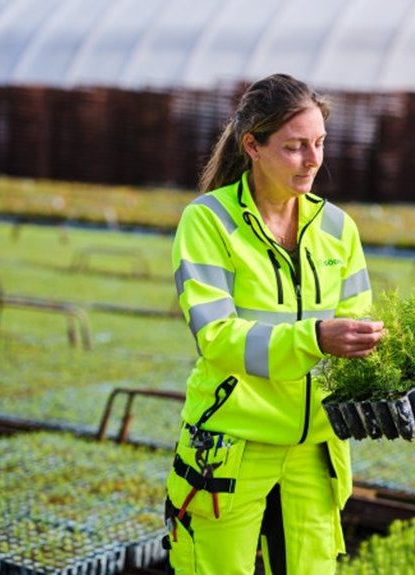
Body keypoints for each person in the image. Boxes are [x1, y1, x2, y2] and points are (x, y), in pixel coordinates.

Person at [163, 73, 385, 575]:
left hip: (315, 450)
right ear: (252, 146)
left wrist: (381, 358)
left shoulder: (337, 229)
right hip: (233, 445)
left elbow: (355, 326)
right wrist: (315, 338)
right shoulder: (208, 222)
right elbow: (216, 337)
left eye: (320, 144)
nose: (313, 161)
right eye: (295, 147)